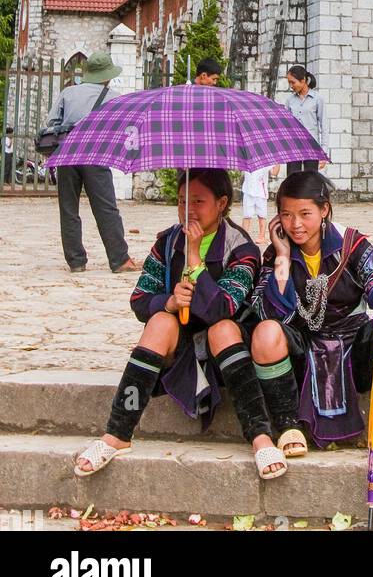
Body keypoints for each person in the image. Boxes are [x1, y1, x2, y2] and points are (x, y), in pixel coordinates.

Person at [73, 170, 289, 481]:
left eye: (198, 201)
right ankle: (117, 432)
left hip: (226, 354)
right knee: (160, 322)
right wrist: (169, 303)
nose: (188, 210)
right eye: (181, 201)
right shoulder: (167, 242)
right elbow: (139, 300)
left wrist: (194, 258)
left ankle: (260, 436)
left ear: (222, 203)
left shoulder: (241, 247)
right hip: (180, 354)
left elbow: (222, 308)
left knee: (221, 328)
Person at [249, 170, 373, 459]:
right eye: (286, 215)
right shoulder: (276, 254)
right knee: (265, 332)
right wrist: (283, 257)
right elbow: (263, 310)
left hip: (351, 349)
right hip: (302, 351)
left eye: (305, 213)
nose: (295, 225)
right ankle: (287, 427)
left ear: (324, 210)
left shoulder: (351, 245)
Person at [43, 50, 139, 274]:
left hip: (66, 154)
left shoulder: (68, 93)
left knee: (68, 208)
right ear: (107, 75)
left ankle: (76, 261)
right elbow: (122, 130)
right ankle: (119, 259)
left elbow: (52, 122)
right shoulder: (114, 97)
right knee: (106, 207)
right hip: (95, 154)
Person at [285, 65, 328, 173]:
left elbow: (324, 126)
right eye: (289, 82)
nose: (291, 86)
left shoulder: (317, 99)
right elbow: (286, 125)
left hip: (312, 147)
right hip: (293, 147)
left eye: (293, 82)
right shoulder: (290, 100)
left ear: (303, 80)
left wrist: (324, 152)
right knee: (292, 180)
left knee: (310, 181)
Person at [242, 164, 280, 244]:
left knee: (262, 215)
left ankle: (261, 236)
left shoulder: (264, 161)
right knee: (247, 215)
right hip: (248, 191)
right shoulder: (247, 159)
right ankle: (244, 236)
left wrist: (277, 163)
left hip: (261, 193)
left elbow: (274, 173)